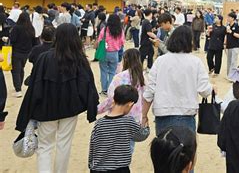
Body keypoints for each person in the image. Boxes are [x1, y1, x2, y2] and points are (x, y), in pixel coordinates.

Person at [16, 23, 99, 173]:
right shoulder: (79, 59)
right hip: (70, 109)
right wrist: (89, 105)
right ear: (75, 39)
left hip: (46, 109)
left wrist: (30, 110)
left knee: (44, 145)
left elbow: (35, 86)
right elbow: (87, 86)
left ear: (57, 37)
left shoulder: (44, 58)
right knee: (64, 144)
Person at [142, 25, 213, 134]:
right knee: (185, 150)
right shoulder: (195, 62)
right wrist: (212, 88)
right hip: (186, 115)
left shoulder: (160, 61)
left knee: (164, 149)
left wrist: (144, 115)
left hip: (162, 114)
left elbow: (150, 91)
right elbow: (204, 91)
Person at [89, 85, 149, 173]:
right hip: (120, 168)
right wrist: (146, 126)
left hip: (98, 169)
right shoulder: (128, 121)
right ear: (130, 104)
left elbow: (93, 146)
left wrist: (91, 166)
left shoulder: (99, 123)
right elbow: (141, 135)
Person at [98, 49, 145, 126]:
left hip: (119, 117)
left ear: (125, 60)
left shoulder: (119, 77)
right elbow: (145, 98)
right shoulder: (142, 77)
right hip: (136, 118)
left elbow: (111, 98)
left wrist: (97, 110)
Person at [9, 12, 36, 97]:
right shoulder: (31, 28)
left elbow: (12, 39)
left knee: (15, 71)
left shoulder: (16, 28)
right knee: (21, 69)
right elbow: (33, 41)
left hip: (16, 52)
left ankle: (18, 89)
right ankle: (19, 86)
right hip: (26, 53)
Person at [97, 13, 125, 95]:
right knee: (112, 72)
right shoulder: (120, 30)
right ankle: (110, 89)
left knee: (103, 71)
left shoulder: (105, 29)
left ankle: (104, 89)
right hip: (114, 53)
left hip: (104, 53)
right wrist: (117, 47)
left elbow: (99, 40)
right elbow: (122, 42)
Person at [225, 12, 239, 78]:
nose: (227, 18)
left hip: (235, 46)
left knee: (233, 62)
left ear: (233, 18)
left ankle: (232, 77)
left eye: (229, 17)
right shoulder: (228, 26)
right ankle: (228, 75)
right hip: (229, 46)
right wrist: (225, 44)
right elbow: (226, 36)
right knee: (229, 61)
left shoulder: (237, 26)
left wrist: (231, 32)